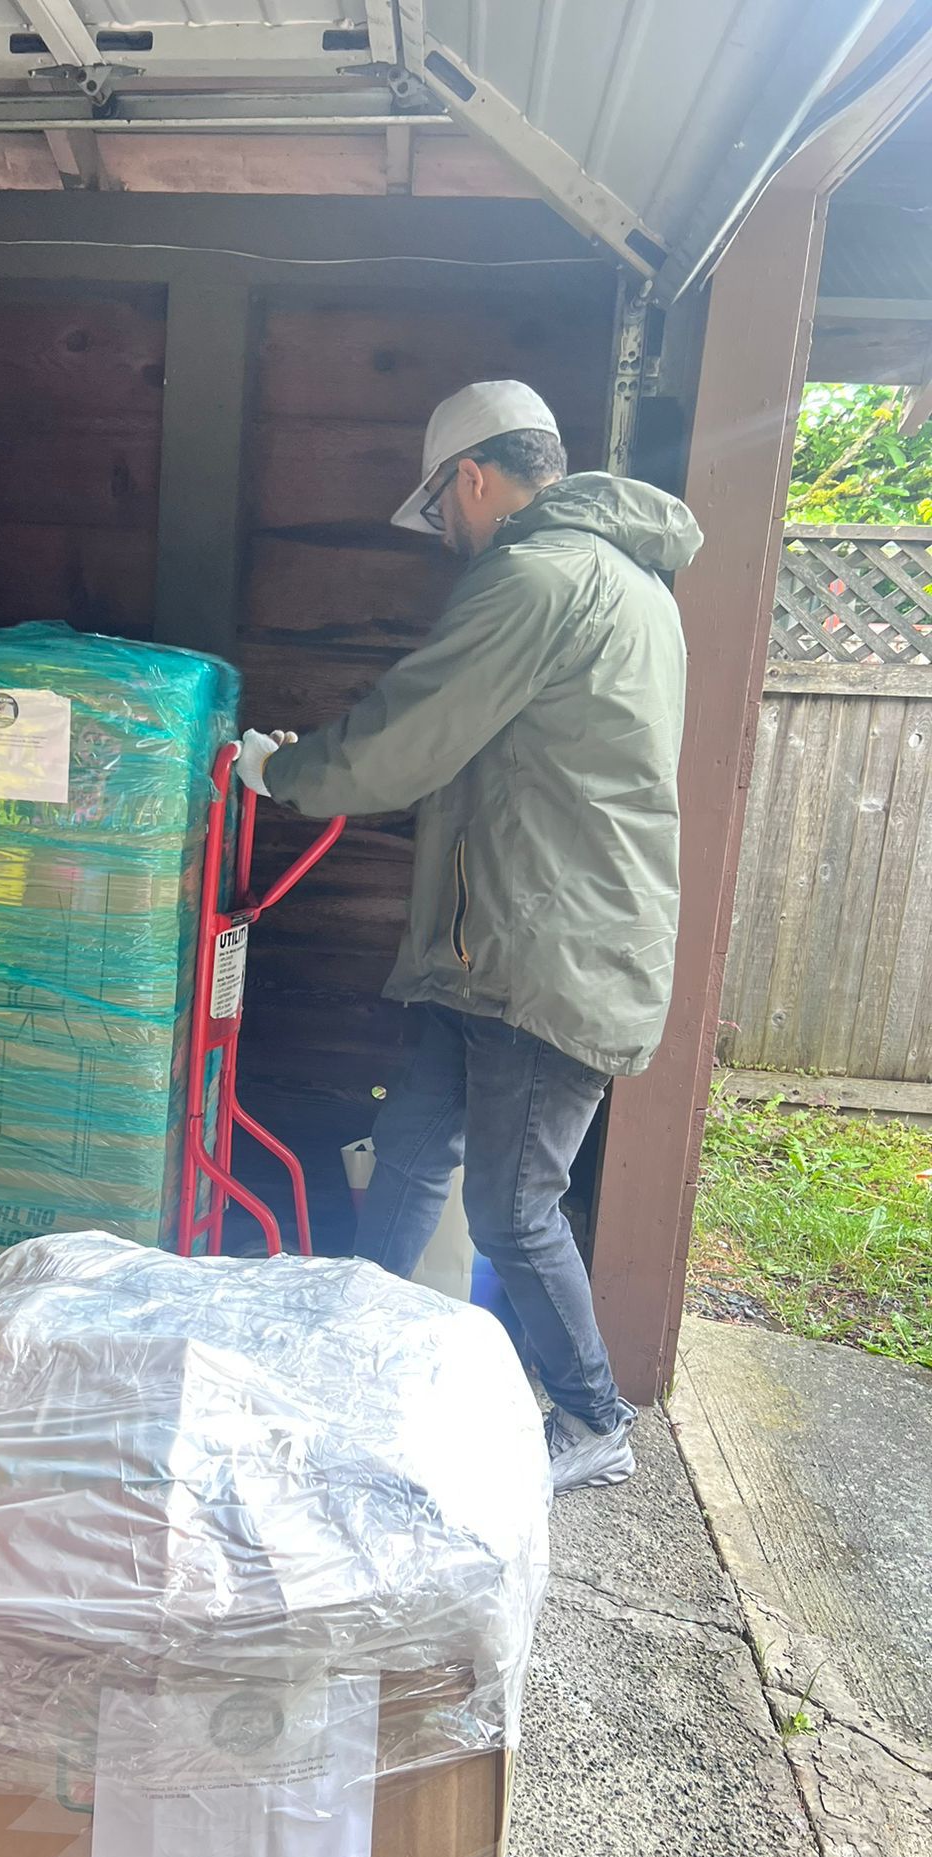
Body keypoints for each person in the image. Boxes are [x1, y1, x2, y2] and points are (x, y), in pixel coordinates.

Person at [236, 380, 702, 1495]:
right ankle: (357, 1350)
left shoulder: (539, 576)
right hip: (492, 942)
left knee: (512, 1205)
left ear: (475, 478)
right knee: (410, 1151)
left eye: (439, 504)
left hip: (548, 949)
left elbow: (409, 735)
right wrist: (325, 759)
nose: (442, 528)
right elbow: (485, 747)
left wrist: (281, 773)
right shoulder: (625, 582)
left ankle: (593, 1417)